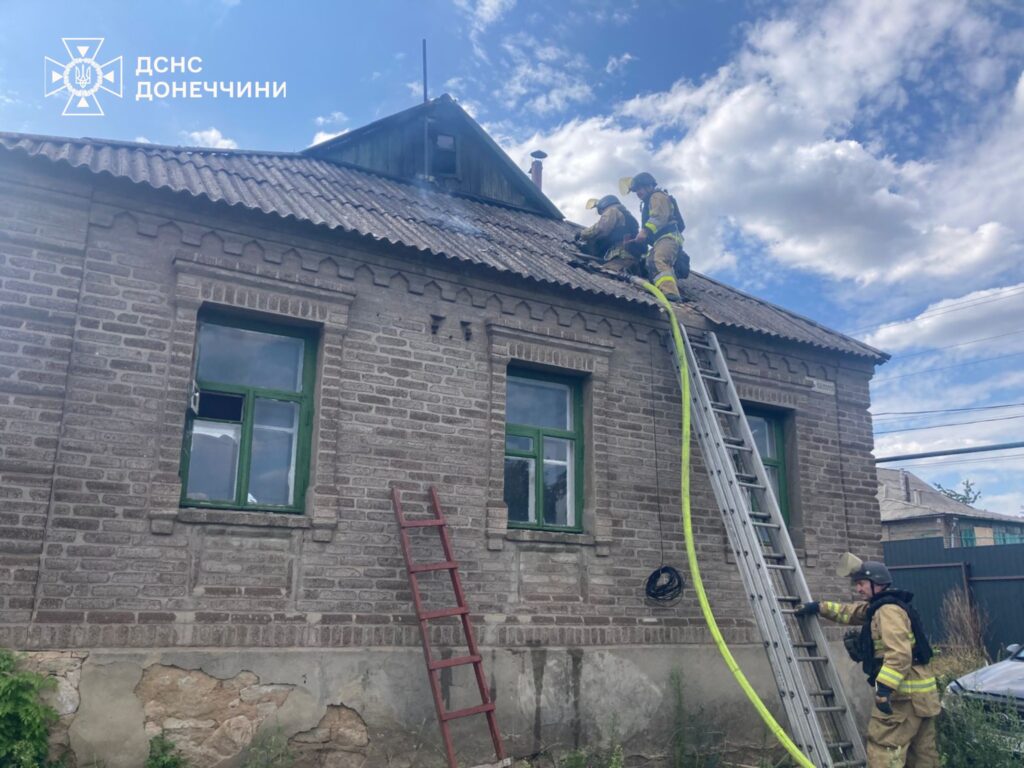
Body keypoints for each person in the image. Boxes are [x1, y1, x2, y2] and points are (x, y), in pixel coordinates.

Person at [795, 557, 940, 768]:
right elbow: (851, 612)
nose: (858, 589)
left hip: (902, 697)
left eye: (862, 583)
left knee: (883, 748)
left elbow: (899, 655)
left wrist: (884, 689)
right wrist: (819, 607)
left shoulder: (888, 611)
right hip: (921, 699)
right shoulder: (884, 606)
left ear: (877, 583)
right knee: (922, 757)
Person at [626, 172, 687, 302]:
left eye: (640, 188)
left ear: (649, 186)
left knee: (658, 259)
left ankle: (670, 293)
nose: (638, 193)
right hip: (661, 240)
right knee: (650, 261)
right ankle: (663, 289)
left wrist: (645, 231)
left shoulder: (657, 196)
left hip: (668, 237)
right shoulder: (648, 201)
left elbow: (659, 216)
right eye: (636, 190)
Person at [574, 195, 642, 275]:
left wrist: (582, 234)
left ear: (604, 205)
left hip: (621, 257)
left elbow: (601, 228)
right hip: (633, 259)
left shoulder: (612, 210)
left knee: (603, 274)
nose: (602, 214)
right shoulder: (625, 215)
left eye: (602, 211)